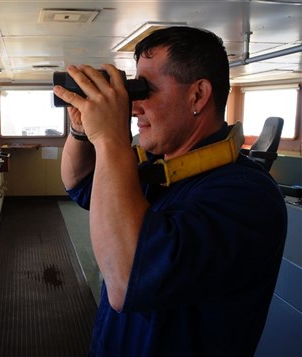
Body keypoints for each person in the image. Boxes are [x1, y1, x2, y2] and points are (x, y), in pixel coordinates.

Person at [53, 26, 287, 356]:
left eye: (145, 90)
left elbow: (126, 281)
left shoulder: (247, 196)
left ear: (198, 95)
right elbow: (79, 183)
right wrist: (81, 131)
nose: (133, 107)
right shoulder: (157, 168)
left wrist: (110, 139)